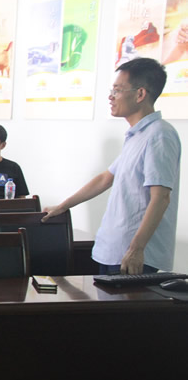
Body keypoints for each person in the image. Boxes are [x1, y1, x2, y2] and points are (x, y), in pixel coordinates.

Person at [44, 58, 181, 274]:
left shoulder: (159, 135)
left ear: (140, 94)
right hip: (114, 249)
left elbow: (161, 197)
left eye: (117, 90)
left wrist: (136, 248)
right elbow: (105, 178)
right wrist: (63, 206)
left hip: (134, 256)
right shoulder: (137, 135)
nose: (111, 96)